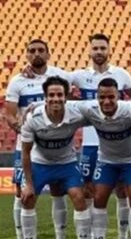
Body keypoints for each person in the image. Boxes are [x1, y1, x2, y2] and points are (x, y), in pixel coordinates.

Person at [69, 33, 131, 239]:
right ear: (90, 51)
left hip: (118, 143)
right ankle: (90, 234)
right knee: (88, 190)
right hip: (90, 143)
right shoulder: (78, 76)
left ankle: (123, 235)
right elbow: (53, 83)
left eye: (102, 48)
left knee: (122, 190)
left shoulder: (122, 75)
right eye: (95, 48)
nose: (99, 52)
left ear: (109, 50)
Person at [5, 39, 71, 239]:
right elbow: (9, 115)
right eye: (32, 51)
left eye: (41, 50)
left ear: (49, 54)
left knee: (58, 189)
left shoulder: (60, 76)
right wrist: (24, 129)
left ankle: (61, 235)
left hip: (54, 145)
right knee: (21, 191)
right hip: (25, 146)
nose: (36, 54)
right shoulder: (17, 81)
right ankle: (20, 235)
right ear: (26, 55)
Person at [65, 78, 131, 239]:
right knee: (98, 198)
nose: (106, 101)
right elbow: (65, 104)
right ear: (97, 97)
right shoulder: (90, 108)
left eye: (111, 97)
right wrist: (35, 106)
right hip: (107, 161)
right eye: (102, 97)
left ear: (119, 97)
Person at [20, 76, 91, 239]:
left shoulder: (77, 115)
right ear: (45, 98)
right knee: (27, 199)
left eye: (59, 95)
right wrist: (29, 184)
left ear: (66, 97)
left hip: (67, 163)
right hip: (40, 163)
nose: (55, 99)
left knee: (79, 198)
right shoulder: (32, 119)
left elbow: (96, 110)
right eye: (51, 95)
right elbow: (25, 152)